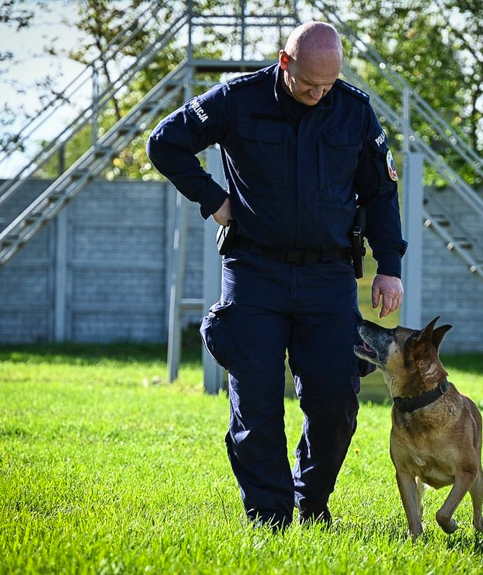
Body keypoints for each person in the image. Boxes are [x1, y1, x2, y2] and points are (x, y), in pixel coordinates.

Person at [147, 21, 407, 530]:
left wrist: (390, 268)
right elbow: (165, 143)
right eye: (309, 85)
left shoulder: (353, 110)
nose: (318, 95)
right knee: (257, 402)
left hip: (328, 277)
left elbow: (380, 194)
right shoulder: (236, 100)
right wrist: (213, 199)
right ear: (285, 63)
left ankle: (311, 503)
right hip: (254, 272)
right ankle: (269, 517)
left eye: (327, 86)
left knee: (335, 398)